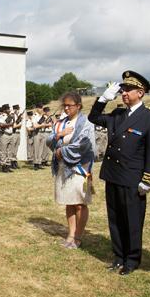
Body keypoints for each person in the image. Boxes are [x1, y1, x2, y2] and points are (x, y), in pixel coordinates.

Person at [89, 71, 150, 275]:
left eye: (128, 90)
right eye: (122, 89)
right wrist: (103, 99)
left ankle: (132, 259)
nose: (124, 93)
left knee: (132, 220)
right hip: (113, 174)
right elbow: (93, 117)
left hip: (132, 178)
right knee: (115, 218)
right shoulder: (117, 114)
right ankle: (118, 256)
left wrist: (148, 179)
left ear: (140, 92)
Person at [48, 91, 97, 249]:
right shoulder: (60, 123)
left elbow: (84, 144)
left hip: (79, 168)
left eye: (70, 105)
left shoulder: (86, 123)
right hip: (63, 168)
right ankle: (70, 234)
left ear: (79, 106)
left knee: (79, 203)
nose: (66, 108)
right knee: (69, 202)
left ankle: (78, 236)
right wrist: (58, 135)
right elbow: (49, 140)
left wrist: (62, 151)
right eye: (65, 105)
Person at [0, 104, 14, 173]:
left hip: (10, 134)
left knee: (9, 151)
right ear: (5, 110)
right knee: (4, 151)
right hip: (4, 134)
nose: (9, 110)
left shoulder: (10, 116)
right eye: (8, 109)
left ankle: (8, 165)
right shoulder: (2, 116)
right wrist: (9, 124)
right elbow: (1, 124)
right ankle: (3, 166)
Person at [10, 104, 23, 169]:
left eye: (18, 109)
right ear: (14, 109)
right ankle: (11, 161)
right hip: (14, 133)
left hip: (18, 133)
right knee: (12, 148)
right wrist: (19, 124)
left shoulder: (18, 116)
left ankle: (14, 160)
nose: (18, 110)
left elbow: (19, 127)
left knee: (16, 148)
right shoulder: (12, 116)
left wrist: (20, 121)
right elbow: (13, 126)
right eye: (17, 109)